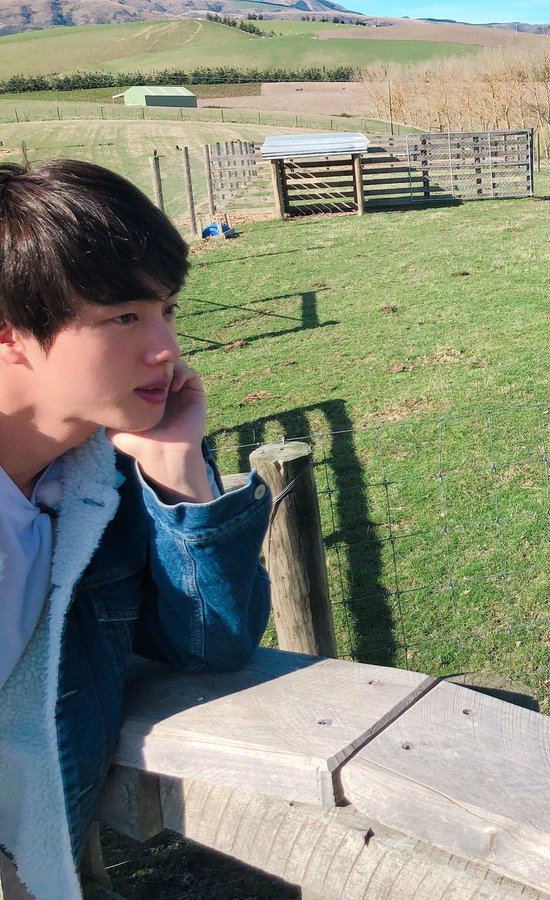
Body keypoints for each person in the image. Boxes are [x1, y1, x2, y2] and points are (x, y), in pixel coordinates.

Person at [0, 159, 272, 898]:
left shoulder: (98, 483)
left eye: (167, 310)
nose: (166, 349)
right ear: (9, 333)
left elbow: (212, 643)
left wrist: (177, 467)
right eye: (124, 316)